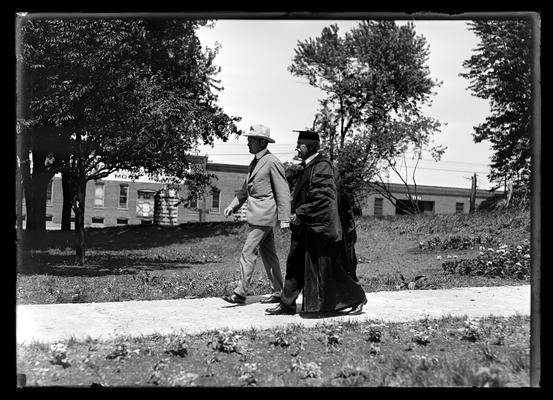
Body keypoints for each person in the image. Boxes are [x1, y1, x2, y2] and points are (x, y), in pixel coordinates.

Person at [265, 130, 367, 315]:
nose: (297, 147)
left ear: (310, 146)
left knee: (331, 268)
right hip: (306, 227)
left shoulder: (322, 167)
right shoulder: (311, 166)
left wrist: (301, 213)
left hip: (318, 227)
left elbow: (323, 198)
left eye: (300, 145)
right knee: (294, 262)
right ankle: (287, 304)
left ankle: (357, 297)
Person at [221, 124, 291, 305]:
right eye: (248, 140)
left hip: (264, 216)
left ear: (262, 142)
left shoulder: (272, 162)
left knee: (247, 252)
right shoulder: (255, 163)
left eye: (251, 140)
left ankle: (240, 293)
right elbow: (245, 191)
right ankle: (279, 292)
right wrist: (232, 206)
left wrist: (284, 218)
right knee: (269, 255)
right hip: (258, 217)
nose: (248, 143)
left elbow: (283, 192)